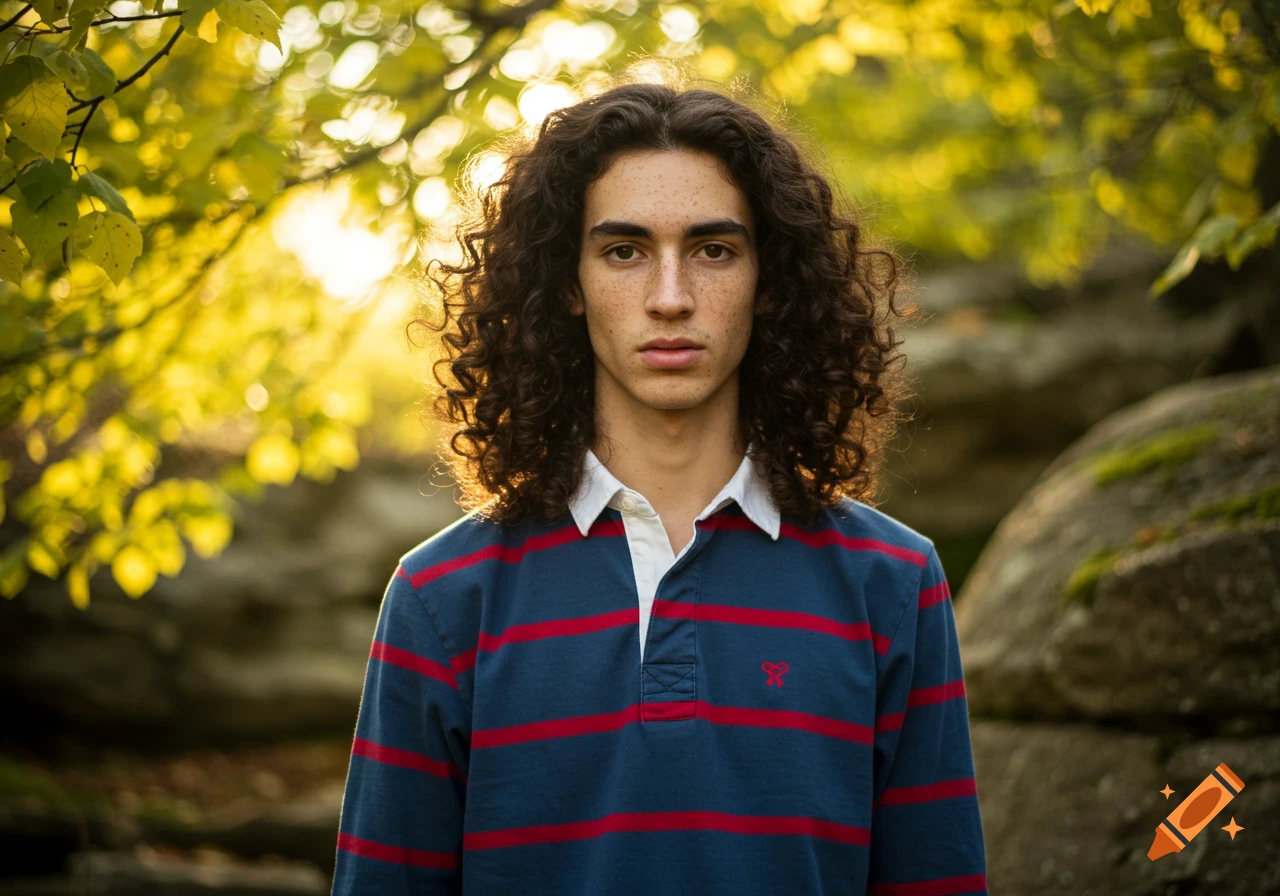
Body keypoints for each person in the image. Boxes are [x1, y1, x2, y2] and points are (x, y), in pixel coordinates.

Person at [331, 66, 988, 896]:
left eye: (713, 250)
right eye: (624, 251)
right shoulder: (441, 597)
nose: (670, 298)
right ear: (567, 285)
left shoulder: (892, 584)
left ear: (769, 281)